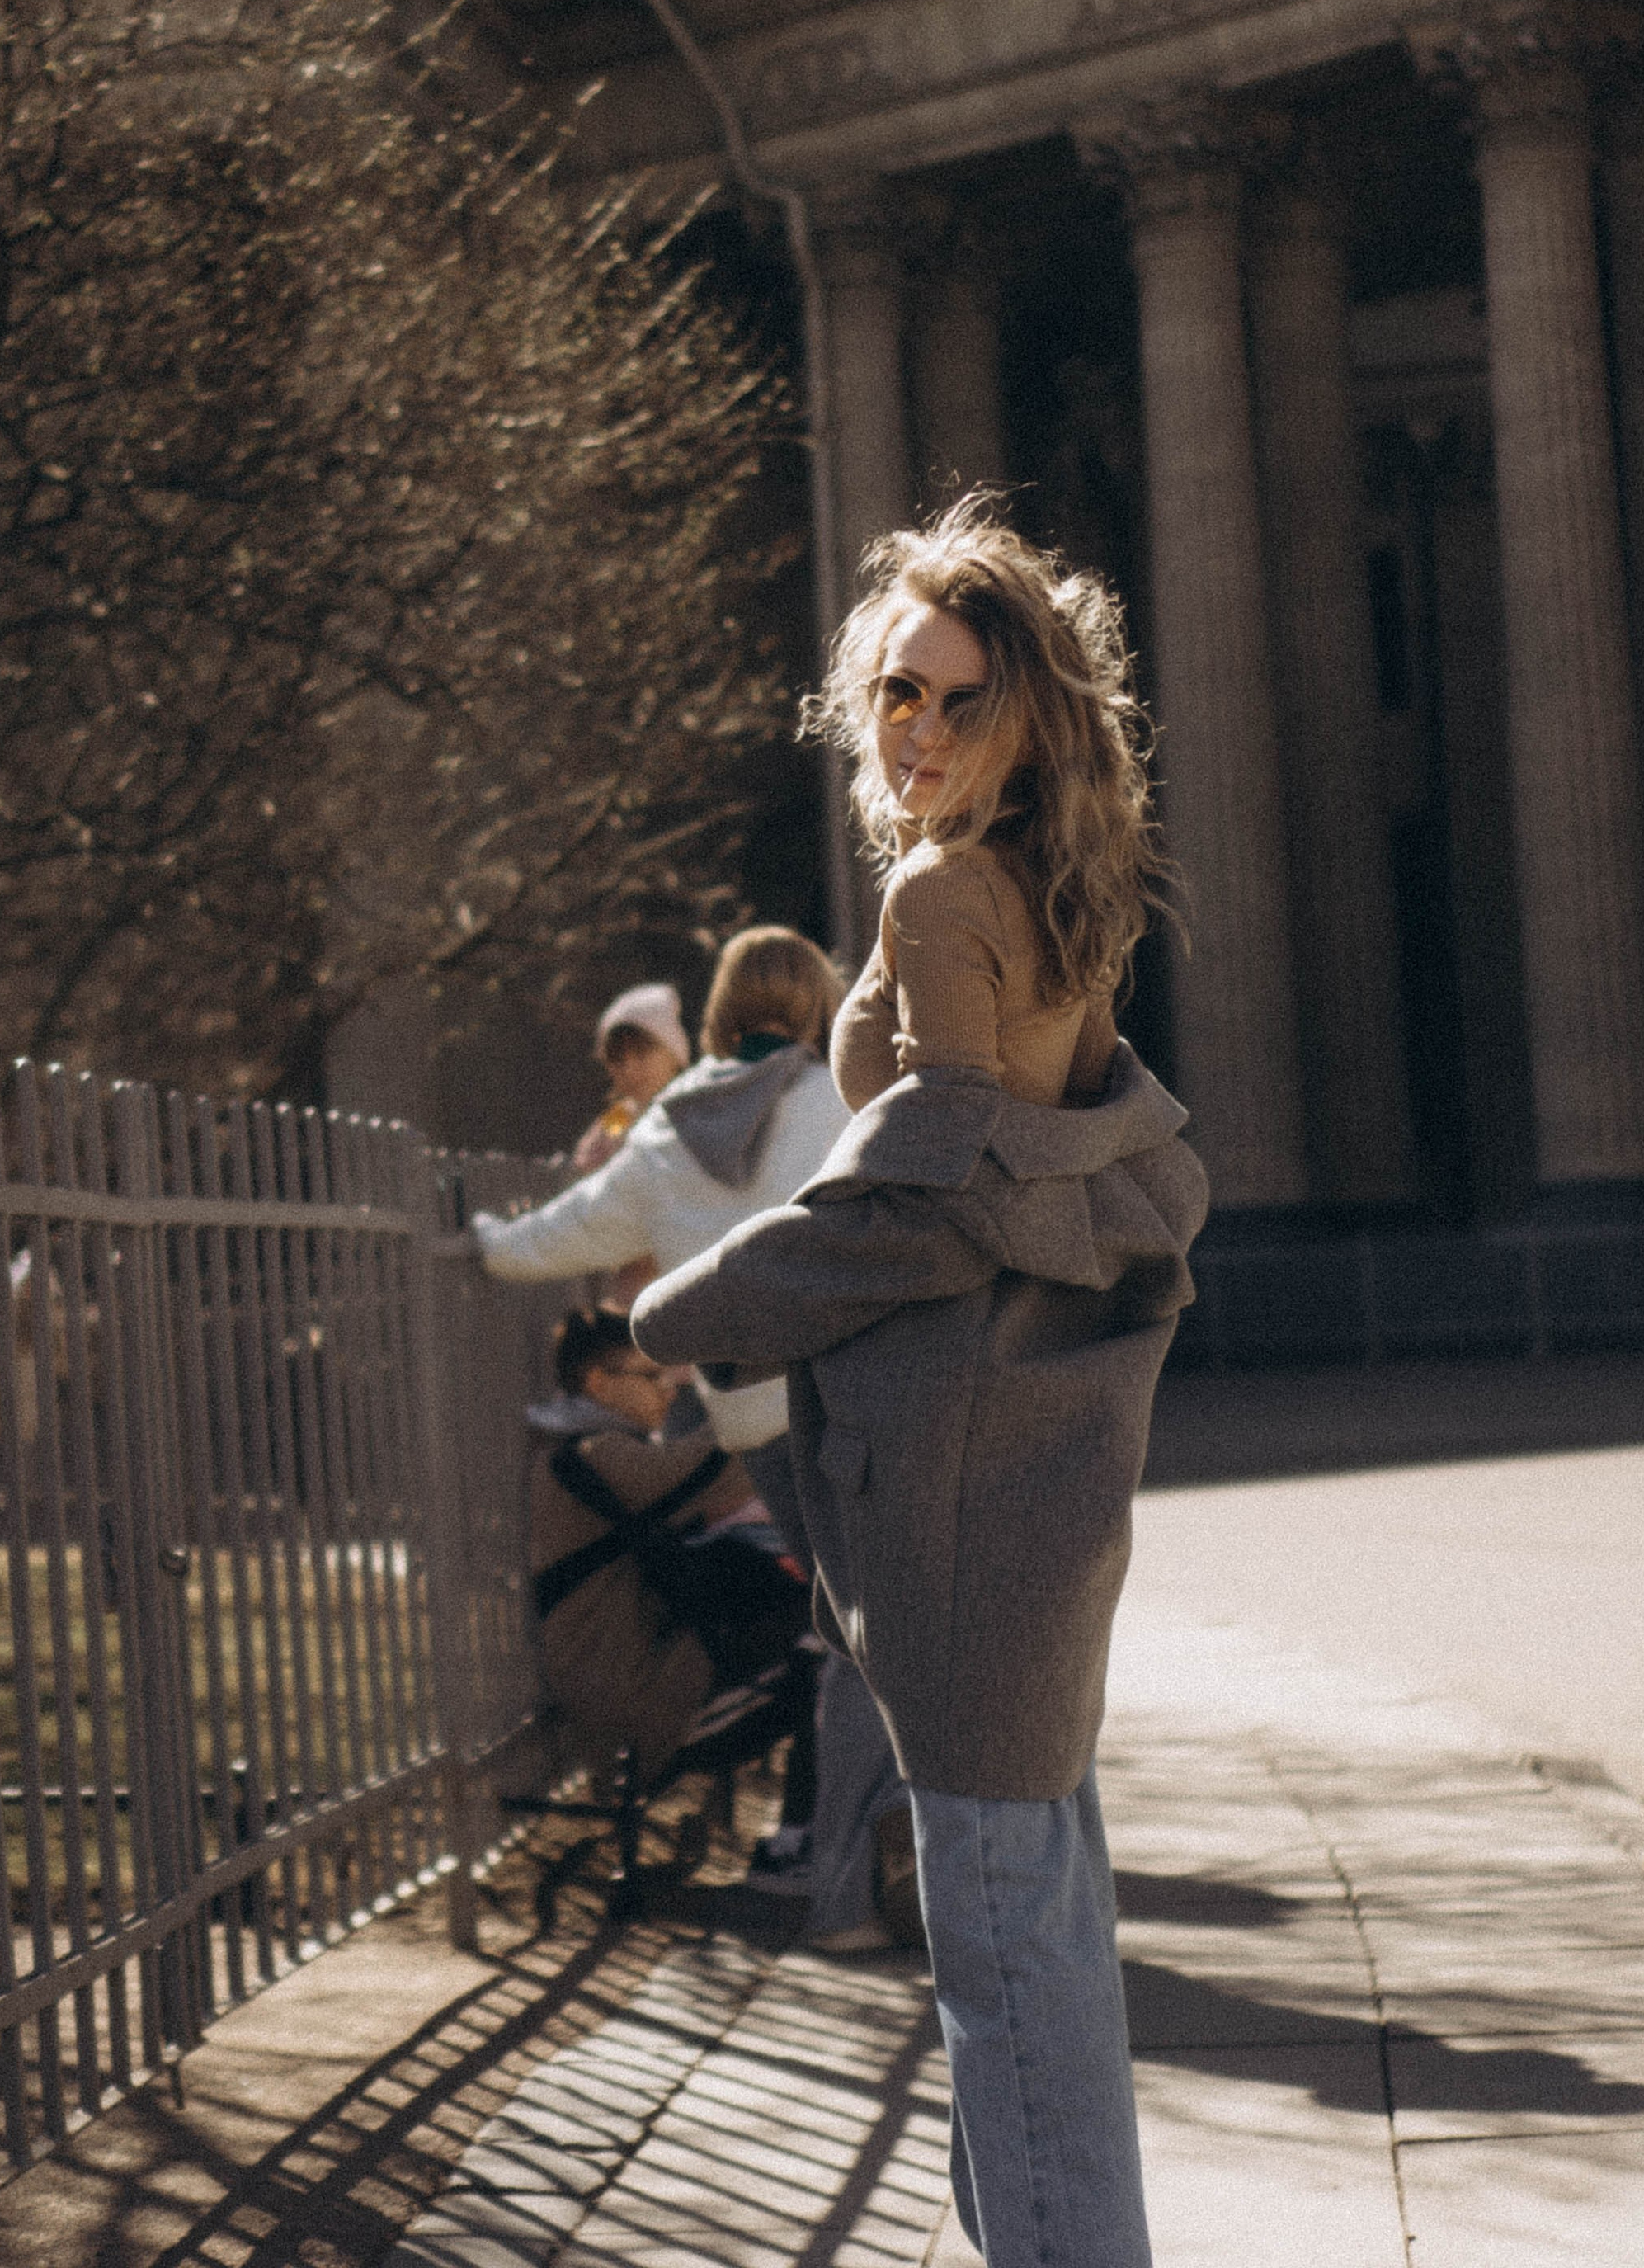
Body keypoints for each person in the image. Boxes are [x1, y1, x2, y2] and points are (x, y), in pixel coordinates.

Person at [634, 500, 1209, 2268]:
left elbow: (935, 1187)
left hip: (960, 1475)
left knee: (1004, 1954)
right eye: (897, 693)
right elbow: (1075, 1158)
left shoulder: (944, 891)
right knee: (1042, 1923)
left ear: (1029, 712)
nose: (921, 732)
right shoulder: (1055, 892)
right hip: (1037, 1464)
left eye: (960, 698)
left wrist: (691, 1307)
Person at [476, 928, 916, 1942]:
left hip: (752, 1418)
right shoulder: (838, 1103)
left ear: (717, 1011)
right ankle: (851, 1885)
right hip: (852, 1400)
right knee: (875, 1637)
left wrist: (486, 1240)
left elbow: (558, 1236)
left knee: (852, 1630)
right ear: (813, 1003)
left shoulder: (665, 1132)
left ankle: (856, 1862)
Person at [527, 1308, 813, 1799]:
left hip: (638, 1686)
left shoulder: (579, 1451)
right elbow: (707, 1469)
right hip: (641, 1713)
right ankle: (806, 1834)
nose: (669, 1390)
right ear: (598, 1383)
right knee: (833, 1669)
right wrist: (773, 1398)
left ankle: (813, 1830)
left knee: (824, 1644)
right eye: (650, 1376)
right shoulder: (591, 1455)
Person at [570, 983, 691, 1173]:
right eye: (617, 1059)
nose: (630, 1069)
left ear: (674, 1056)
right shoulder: (621, 1116)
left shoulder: (695, 1110)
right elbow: (585, 1166)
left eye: (642, 1054)